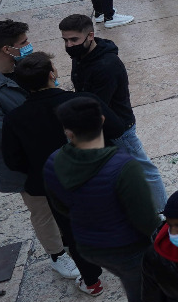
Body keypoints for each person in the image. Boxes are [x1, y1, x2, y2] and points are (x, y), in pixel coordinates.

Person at [43, 96, 164, 302]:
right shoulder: (124, 167)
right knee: (141, 298)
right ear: (101, 122)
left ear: (68, 131)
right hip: (129, 249)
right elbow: (146, 219)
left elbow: (60, 206)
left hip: (89, 246)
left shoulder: (53, 163)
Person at [0, 21, 85, 283]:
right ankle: (57, 255)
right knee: (43, 210)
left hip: (55, 153)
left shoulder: (23, 69)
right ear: (7, 49)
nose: (28, 47)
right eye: (22, 43)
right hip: (27, 165)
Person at [0, 50, 130, 297]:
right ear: (52, 74)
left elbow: (13, 160)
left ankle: (92, 282)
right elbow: (117, 127)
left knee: (73, 233)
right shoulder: (83, 100)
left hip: (56, 186)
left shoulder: (15, 119)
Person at [60, 13, 168, 210]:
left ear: (90, 36)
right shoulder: (82, 55)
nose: (68, 45)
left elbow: (98, 103)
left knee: (145, 171)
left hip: (119, 129)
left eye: (73, 39)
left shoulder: (106, 65)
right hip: (103, 126)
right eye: (65, 40)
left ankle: (163, 211)